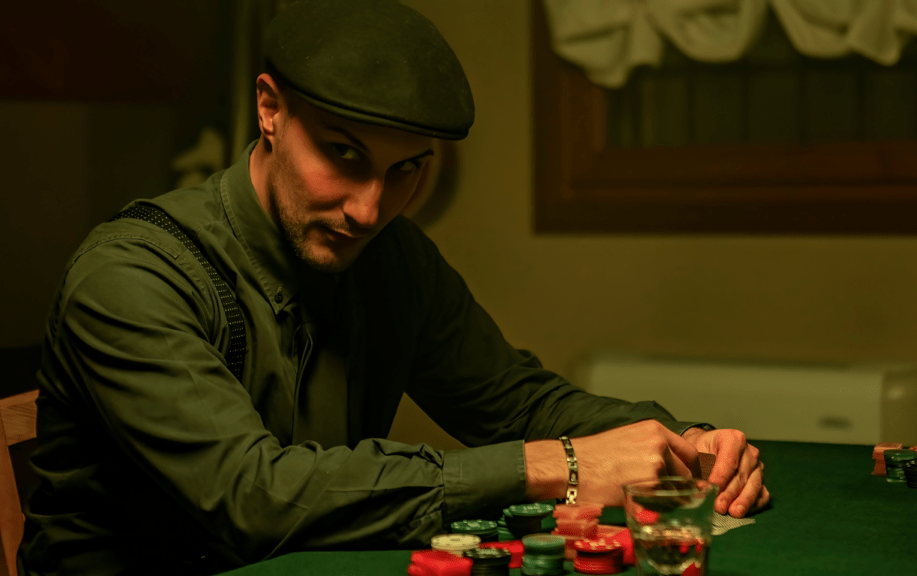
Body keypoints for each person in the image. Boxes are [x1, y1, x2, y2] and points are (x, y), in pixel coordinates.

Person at [21, 1, 768, 574]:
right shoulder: (130, 275)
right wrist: (564, 468)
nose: (370, 209)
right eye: (343, 154)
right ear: (269, 109)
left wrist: (679, 442)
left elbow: (516, 401)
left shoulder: (392, 259)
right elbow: (252, 496)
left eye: (407, 168)